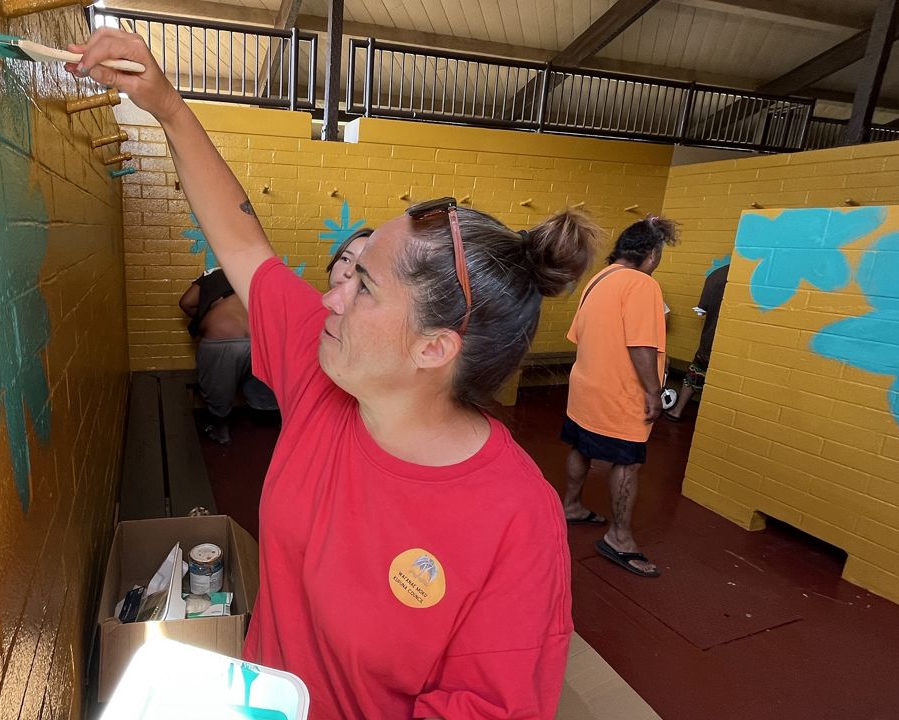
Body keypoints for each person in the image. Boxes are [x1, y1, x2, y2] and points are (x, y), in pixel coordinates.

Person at [68, 29, 602, 719]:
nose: (330, 297)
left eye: (364, 287)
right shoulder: (325, 375)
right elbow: (242, 243)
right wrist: (166, 105)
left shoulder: (516, 523)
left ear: (433, 349)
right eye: (345, 272)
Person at [560, 216, 679, 579]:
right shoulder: (642, 285)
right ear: (653, 254)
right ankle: (619, 537)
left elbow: (579, 335)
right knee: (627, 463)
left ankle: (572, 505)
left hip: (585, 386)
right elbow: (641, 344)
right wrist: (653, 393)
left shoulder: (600, 278)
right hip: (620, 394)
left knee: (581, 447)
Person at [179, 268, 279, 444]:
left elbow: (186, 302)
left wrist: (206, 316)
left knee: (218, 384)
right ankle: (272, 420)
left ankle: (220, 431)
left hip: (223, 336)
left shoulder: (215, 272)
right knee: (260, 379)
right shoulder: (259, 273)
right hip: (261, 338)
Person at [664, 262, 729, 422]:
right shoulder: (755, 279)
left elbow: (701, 310)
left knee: (696, 371)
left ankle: (677, 411)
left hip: (710, 339)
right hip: (735, 347)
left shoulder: (717, 275)